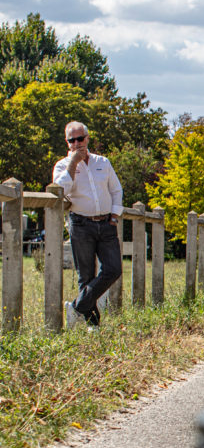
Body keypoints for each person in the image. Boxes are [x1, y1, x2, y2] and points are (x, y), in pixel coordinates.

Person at [52, 121, 123, 328]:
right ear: (67, 142)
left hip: (106, 223)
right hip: (81, 223)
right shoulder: (62, 165)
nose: (76, 143)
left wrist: (115, 216)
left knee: (113, 269)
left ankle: (75, 307)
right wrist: (74, 162)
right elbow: (61, 189)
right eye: (71, 140)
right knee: (86, 275)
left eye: (80, 139)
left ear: (87, 138)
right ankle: (93, 324)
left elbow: (116, 190)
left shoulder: (103, 162)